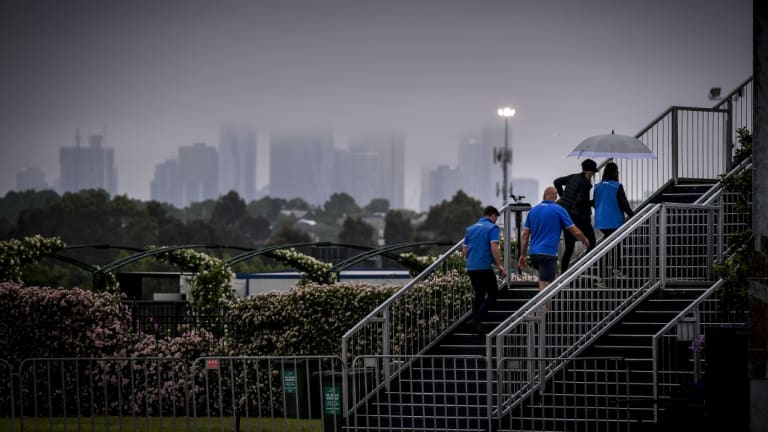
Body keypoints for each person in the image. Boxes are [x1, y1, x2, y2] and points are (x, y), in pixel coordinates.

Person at [518, 186, 590, 292]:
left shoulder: (533, 211)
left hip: (534, 254)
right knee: (545, 283)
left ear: (544, 196)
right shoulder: (559, 210)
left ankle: (555, 303)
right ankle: (541, 308)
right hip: (548, 253)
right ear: (555, 197)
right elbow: (574, 231)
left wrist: (523, 254)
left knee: (551, 277)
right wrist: (585, 240)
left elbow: (525, 235)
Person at [463, 205, 507, 335]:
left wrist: (471, 260)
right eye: (496, 217)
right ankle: (476, 319)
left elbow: (464, 250)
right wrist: (500, 265)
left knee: (479, 294)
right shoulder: (492, 228)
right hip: (484, 266)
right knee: (493, 294)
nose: (495, 220)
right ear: (493, 215)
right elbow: (494, 247)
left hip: (471, 266)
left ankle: (475, 324)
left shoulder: (470, 229)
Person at [554, 158, 598, 273]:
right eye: (593, 172)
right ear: (589, 172)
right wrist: (592, 202)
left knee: (569, 247)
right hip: (578, 217)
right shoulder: (585, 183)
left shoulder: (573, 177)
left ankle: (563, 274)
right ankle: (581, 267)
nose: (593, 175)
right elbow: (580, 201)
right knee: (592, 242)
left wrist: (563, 197)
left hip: (566, 215)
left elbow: (557, 181)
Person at [593, 162, 635, 276]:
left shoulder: (597, 186)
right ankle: (612, 271)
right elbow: (624, 204)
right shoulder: (617, 186)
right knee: (615, 244)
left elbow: (595, 203)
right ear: (615, 172)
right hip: (614, 220)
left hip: (601, 221)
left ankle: (608, 271)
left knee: (609, 244)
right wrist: (633, 216)